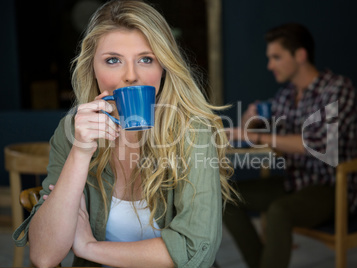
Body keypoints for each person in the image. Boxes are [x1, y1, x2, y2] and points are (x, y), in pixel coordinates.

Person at [12, 0, 238, 267]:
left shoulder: (193, 132)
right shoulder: (72, 132)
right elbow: (44, 256)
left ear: (163, 68)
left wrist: (89, 248)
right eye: (113, 60)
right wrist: (81, 151)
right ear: (92, 69)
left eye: (146, 59)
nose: (131, 76)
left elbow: (196, 252)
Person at [224, 23, 357, 268]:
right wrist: (249, 121)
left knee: (279, 212)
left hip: (332, 187)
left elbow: (316, 143)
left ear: (300, 55)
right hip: (295, 182)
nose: (270, 65)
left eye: (276, 57)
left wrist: (256, 137)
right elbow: (256, 133)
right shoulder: (286, 95)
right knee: (226, 197)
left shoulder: (338, 89)